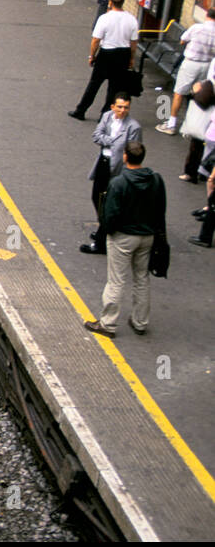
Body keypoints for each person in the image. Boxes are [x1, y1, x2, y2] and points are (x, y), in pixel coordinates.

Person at [84, 140, 166, 337]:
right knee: (141, 278)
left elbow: (110, 215)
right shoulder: (156, 179)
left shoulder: (118, 183)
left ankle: (108, 323)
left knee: (116, 280)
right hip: (147, 237)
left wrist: (110, 232)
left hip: (123, 237)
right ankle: (140, 322)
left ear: (125, 157)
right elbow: (160, 209)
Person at [81, 92, 143, 255]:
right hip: (104, 162)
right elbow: (96, 136)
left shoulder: (134, 127)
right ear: (113, 107)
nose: (122, 110)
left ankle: (101, 240)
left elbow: (133, 150)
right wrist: (112, 141)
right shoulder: (107, 116)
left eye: (126, 107)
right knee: (97, 196)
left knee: (109, 202)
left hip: (118, 169)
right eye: (120, 107)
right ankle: (104, 226)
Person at [69, 0, 139, 121]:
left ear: (110, 2)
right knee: (114, 87)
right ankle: (105, 115)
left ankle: (81, 110)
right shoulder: (132, 19)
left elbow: (96, 40)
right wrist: (131, 58)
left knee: (94, 84)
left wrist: (92, 56)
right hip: (123, 54)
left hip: (106, 53)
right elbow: (133, 43)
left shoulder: (105, 18)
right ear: (123, 1)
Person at [159, 17, 215, 136]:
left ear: (207, 16)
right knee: (198, 94)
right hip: (207, 65)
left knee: (179, 93)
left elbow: (182, 41)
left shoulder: (196, 28)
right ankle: (191, 125)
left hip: (191, 64)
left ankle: (171, 125)